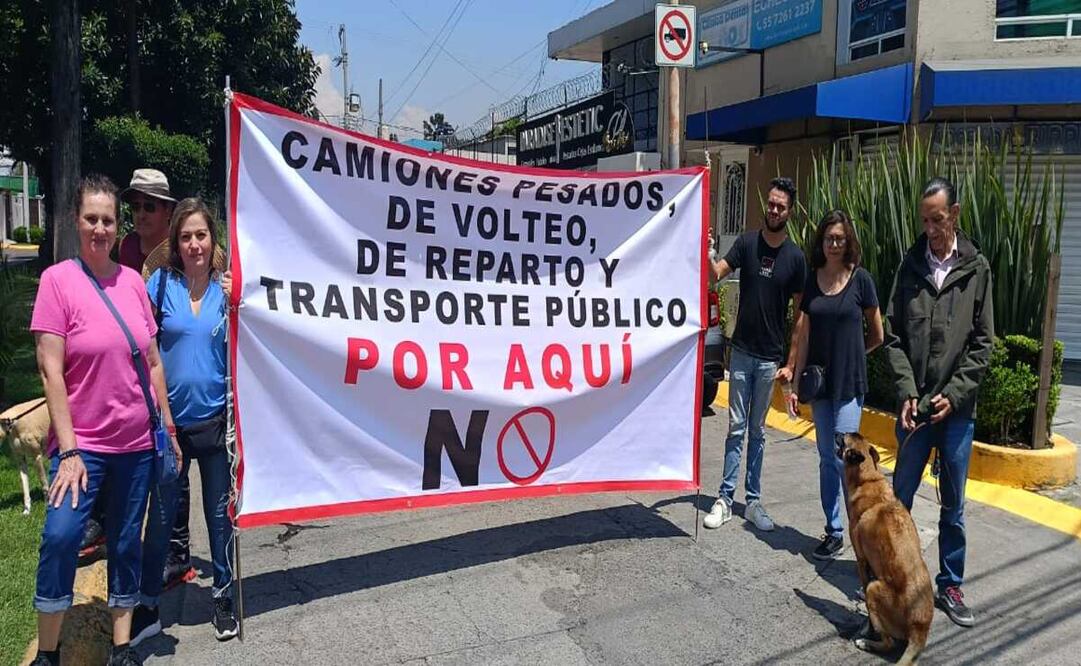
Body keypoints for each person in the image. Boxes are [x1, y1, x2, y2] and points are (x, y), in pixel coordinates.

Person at [29, 174, 181, 666]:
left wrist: (167, 427)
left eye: (108, 220)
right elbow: (50, 371)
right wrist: (70, 450)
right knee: (60, 536)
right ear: (77, 221)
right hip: (83, 447)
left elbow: (153, 362)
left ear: (119, 227)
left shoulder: (133, 283)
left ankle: (120, 647)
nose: (100, 228)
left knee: (125, 543)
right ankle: (48, 652)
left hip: (136, 444)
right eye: (91, 219)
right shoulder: (57, 282)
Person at [883, 176, 994, 628]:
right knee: (899, 500)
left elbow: (983, 343)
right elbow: (892, 335)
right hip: (915, 411)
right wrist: (907, 391)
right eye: (925, 220)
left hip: (956, 412)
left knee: (953, 504)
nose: (930, 229)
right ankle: (893, 576)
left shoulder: (976, 269)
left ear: (956, 214)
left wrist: (955, 394)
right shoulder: (910, 267)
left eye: (938, 219)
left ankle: (949, 583)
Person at [129, 198, 238, 645]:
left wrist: (238, 299)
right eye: (186, 236)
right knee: (160, 520)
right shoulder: (159, 287)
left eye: (201, 235)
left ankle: (224, 595)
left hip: (214, 423)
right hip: (169, 427)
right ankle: (148, 605)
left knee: (219, 516)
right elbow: (142, 349)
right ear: (175, 243)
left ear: (213, 241)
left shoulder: (226, 292)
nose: (195, 244)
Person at [80, 168, 180, 564]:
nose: (140, 213)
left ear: (167, 211)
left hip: (171, 367)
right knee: (115, 443)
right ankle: (104, 523)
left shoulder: (184, 248)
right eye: (135, 205)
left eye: (149, 206)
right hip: (129, 368)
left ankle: (175, 550)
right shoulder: (126, 248)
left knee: (172, 462)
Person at [704, 177, 807, 531]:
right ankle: (725, 499)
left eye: (781, 206)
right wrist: (708, 252)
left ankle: (753, 502)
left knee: (757, 432)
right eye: (771, 203)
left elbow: (800, 316)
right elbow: (717, 275)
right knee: (736, 428)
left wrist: (791, 363)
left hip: (769, 360)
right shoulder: (747, 243)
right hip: (741, 353)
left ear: (789, 212)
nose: (774, 210)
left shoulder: (795, 258)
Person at [787, 210, 883, 560]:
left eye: (840, 238)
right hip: (820, 386)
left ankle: (860, 532)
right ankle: (834, 530)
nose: (834, 244)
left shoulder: (861, 280)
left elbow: (877, 334)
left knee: (848, 459)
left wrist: (854, 355)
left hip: (849, 384)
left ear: (848, 241)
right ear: (821, 241)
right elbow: (804, 335)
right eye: (829, 238)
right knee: (827, 459)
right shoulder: (813, 280)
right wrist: (795, 383)